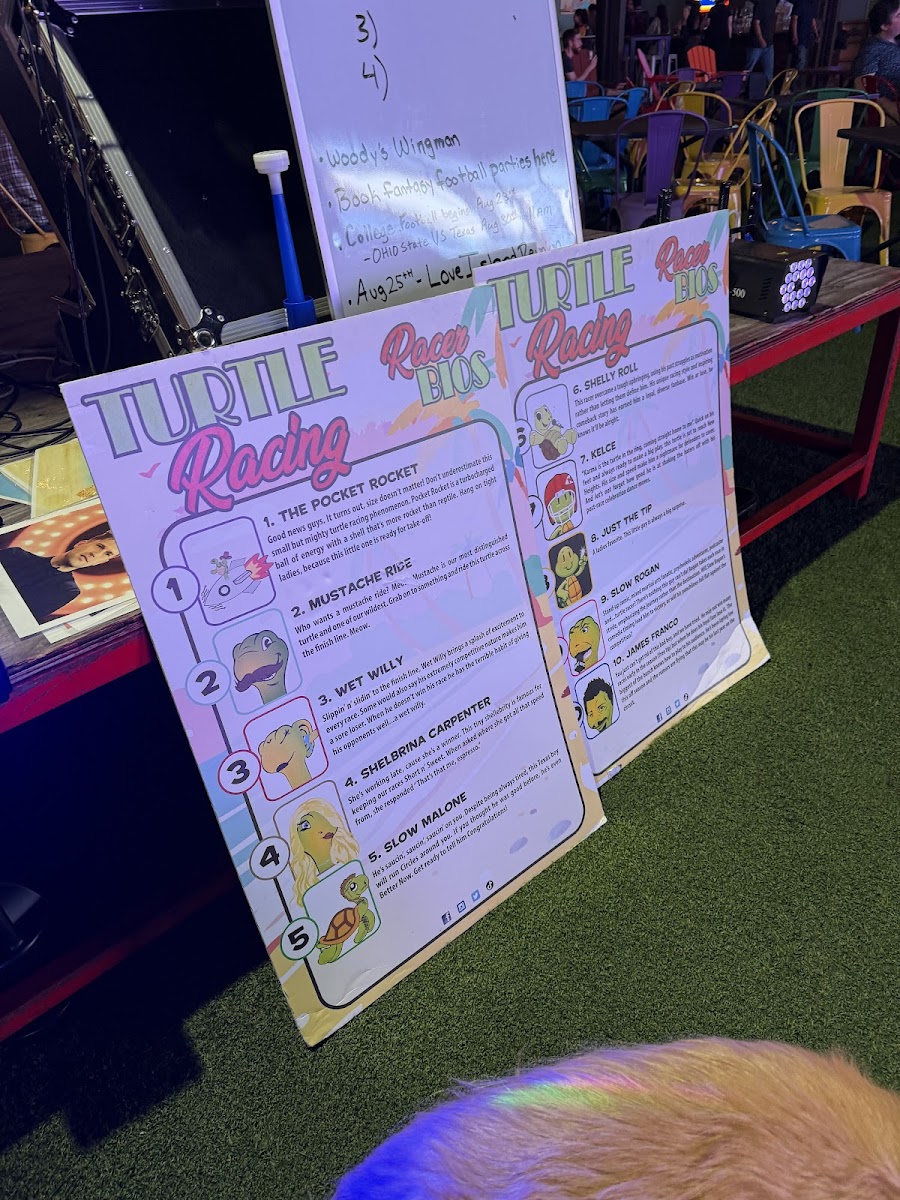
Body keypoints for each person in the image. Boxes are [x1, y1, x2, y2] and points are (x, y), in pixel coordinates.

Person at [0, 531, 120, 624]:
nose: (95, 554)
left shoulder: (68, 590)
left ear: (99, 563)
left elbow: (18, 618)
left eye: (107, 554)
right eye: (99, 546)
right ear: (81, 544)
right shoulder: (16, 555)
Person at [852, 0, 900, 94]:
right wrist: (885, 101)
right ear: (885, 26)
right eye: (899, 16)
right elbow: (864, 86)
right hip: (887, 101)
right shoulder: (872, 48)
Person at [745, 0, 778, 84]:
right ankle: (741, 88)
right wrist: (760, 39)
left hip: (769, 42)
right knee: (748, 70)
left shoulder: (773, 3)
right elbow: (756, 22)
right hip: (756, 43)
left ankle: (769, 90)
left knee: (768, 72)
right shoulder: (762, 3)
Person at [705, 0, 733, 67]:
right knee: (722, 57)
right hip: (723, 35)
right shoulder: (728, 10)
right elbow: (729, 24)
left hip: (712, 35)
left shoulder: (713, 9)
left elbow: (707, 23)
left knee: (712, 56)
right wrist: (729, 36)